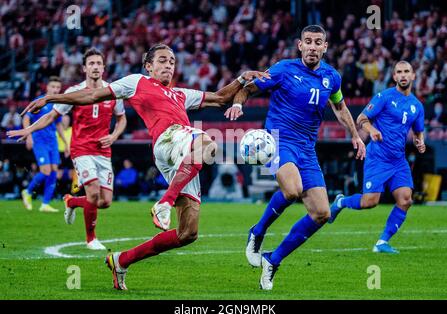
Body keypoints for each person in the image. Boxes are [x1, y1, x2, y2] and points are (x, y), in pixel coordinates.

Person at [19, 43, 268, 290]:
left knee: (188, 234)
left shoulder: (181, 94)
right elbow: (92, 95)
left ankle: (121, 261)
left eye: (171, 61)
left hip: (183, 155)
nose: (168, 65)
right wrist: (52, 97)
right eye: (162, 60)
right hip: (168, 139)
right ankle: (164, 202)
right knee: (208, 143)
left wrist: (241, 79)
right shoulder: (136, 82)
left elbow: (221, 98)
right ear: (148, 66)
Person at [226, 25, 366, 290]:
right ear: (300, 45)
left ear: (325, 47)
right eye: (308, 42)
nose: (312, 46)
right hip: (278, 140)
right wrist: (237, 103)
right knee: (292, 190)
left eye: (318, 42)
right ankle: (258, 231)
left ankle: (273, 260)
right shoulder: (283, 69)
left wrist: (356, 136)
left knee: (322, 213)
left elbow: (340, 107)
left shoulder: (331, 77)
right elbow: (249, 88)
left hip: (307, 149)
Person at [8, 48, 127, 250]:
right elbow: (51, 116)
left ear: (104, 68)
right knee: (93, 191)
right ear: (84, 68)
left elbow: (121, 118)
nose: (95, 66)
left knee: (105, 201)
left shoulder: (113, 92)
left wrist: (114, 135)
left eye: (99, 63)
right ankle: (91, 239)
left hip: (103, 152)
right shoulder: (73, 92)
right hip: (81, 149)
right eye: (91, 63)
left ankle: (71, 201)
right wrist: (28, 129)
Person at [329, 61, 426, 254]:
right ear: (395, 77)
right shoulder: (384, 97)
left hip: (398, 160)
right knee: (370, 202)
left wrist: (419, 142)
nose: (403, 75)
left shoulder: (417, 106)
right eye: (399, 72)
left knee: (406, 199)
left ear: (413, 76)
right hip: (378, 158)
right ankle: (341, 202)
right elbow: (361, 119)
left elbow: (417, 132)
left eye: (407, 72)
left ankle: (381, 242)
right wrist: (372, 130)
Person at [20, 76, 69, 212]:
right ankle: (28, 192)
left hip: (52, 141)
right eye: (53, 87)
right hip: (39, 139)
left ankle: (45, 204)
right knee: (46, 170)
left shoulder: (57, 104)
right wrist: (28, 135)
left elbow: (58, 124)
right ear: (47, 87)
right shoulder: (39, 101)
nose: (55, 89)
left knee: (54, 171)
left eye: (58, 87)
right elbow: (26, 118)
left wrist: (66, 143)